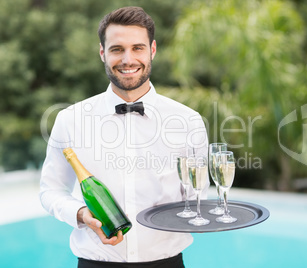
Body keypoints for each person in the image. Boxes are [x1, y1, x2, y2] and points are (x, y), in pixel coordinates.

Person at [39, 6, 209, 268]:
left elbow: (199, 194)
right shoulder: (69, 120)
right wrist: (82, 214)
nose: (128, 59)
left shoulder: (188, 121)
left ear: (152, 50)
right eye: (117, 49)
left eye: (137, 48)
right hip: (95, 262)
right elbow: (51, 190)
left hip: (167, 263)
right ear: (102, 53)